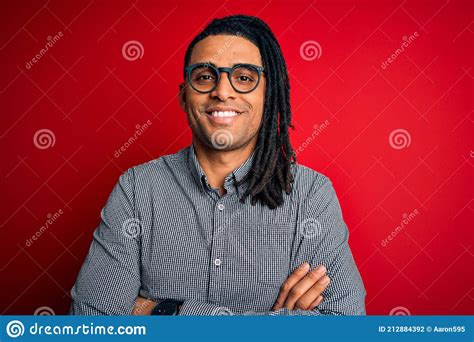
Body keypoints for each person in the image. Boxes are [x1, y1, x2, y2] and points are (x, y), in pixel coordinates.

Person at [69, 14, 366, 316]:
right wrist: (283, 323)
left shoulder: (311, 195)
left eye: (244, 77)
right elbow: (91, 325)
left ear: (268, 95)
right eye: (205, 76)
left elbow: (344, 326)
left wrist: (170, 312)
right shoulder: (137, 188)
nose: (222, 92)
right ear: (185, 97)